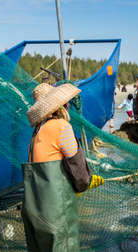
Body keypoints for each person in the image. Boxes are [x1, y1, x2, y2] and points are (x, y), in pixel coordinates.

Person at [23, 83, 104, 251]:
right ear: (61, 106)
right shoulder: (61, 127)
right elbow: (78, 166)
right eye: (66, 102)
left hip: (33, 211)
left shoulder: (36, 133)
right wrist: (85, 183)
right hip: (55, 213)